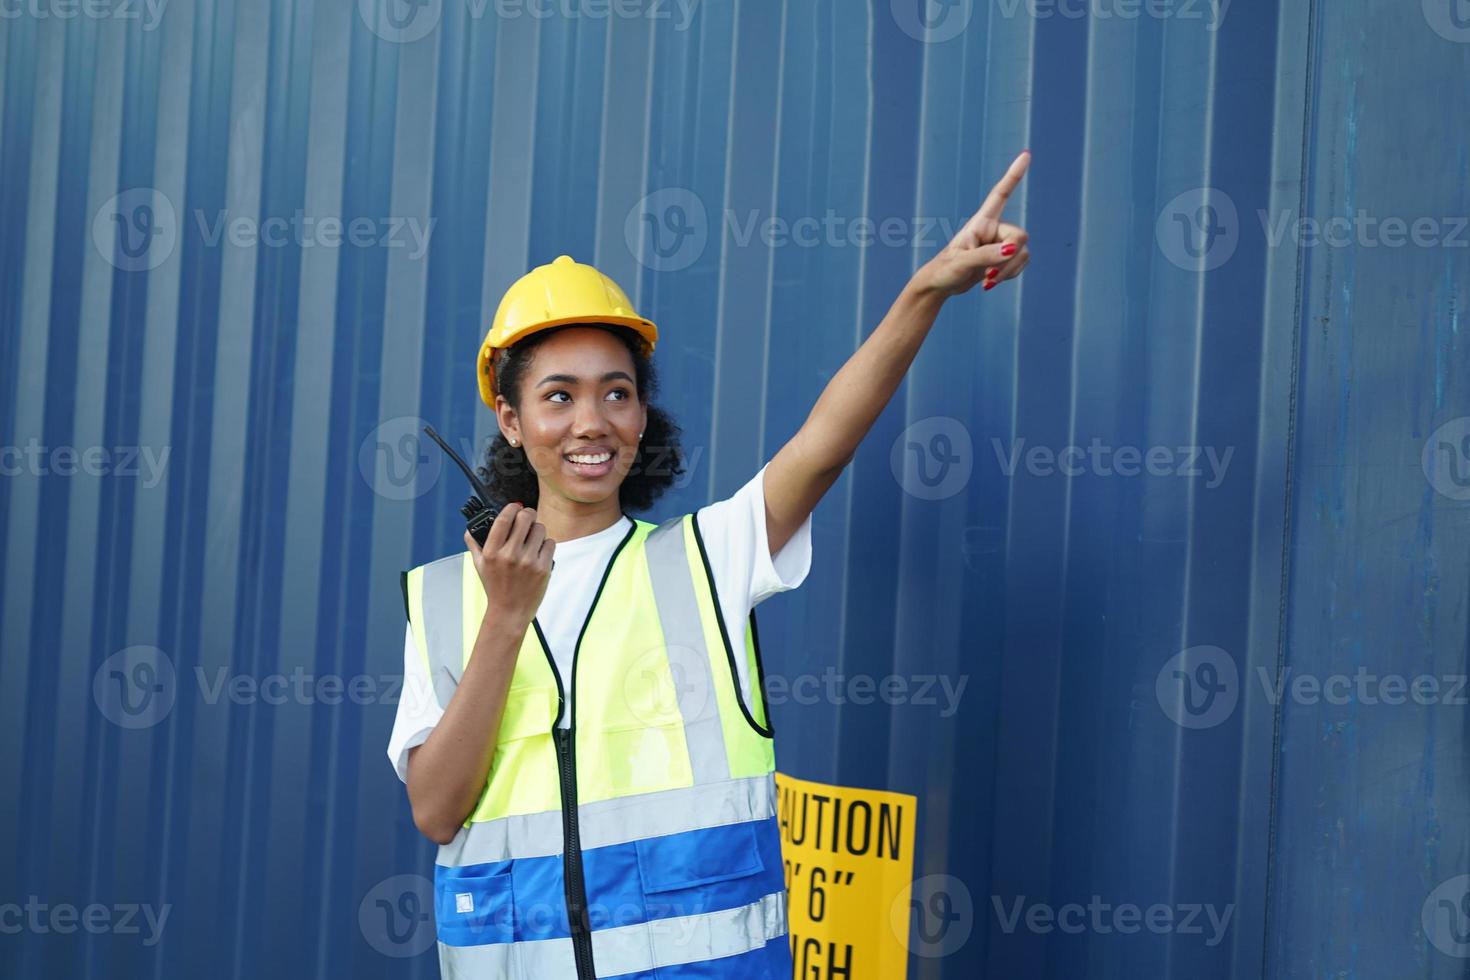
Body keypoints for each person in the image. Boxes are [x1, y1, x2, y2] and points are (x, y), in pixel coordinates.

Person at [387, 151, 1032, 979]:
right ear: (510, 420)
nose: (593, 421)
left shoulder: (706, 557)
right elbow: (437, 811)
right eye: (559, 396)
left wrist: (925, 291)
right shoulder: (446, 597)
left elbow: (826, 443)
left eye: (617, 392)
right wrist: (507, 614)